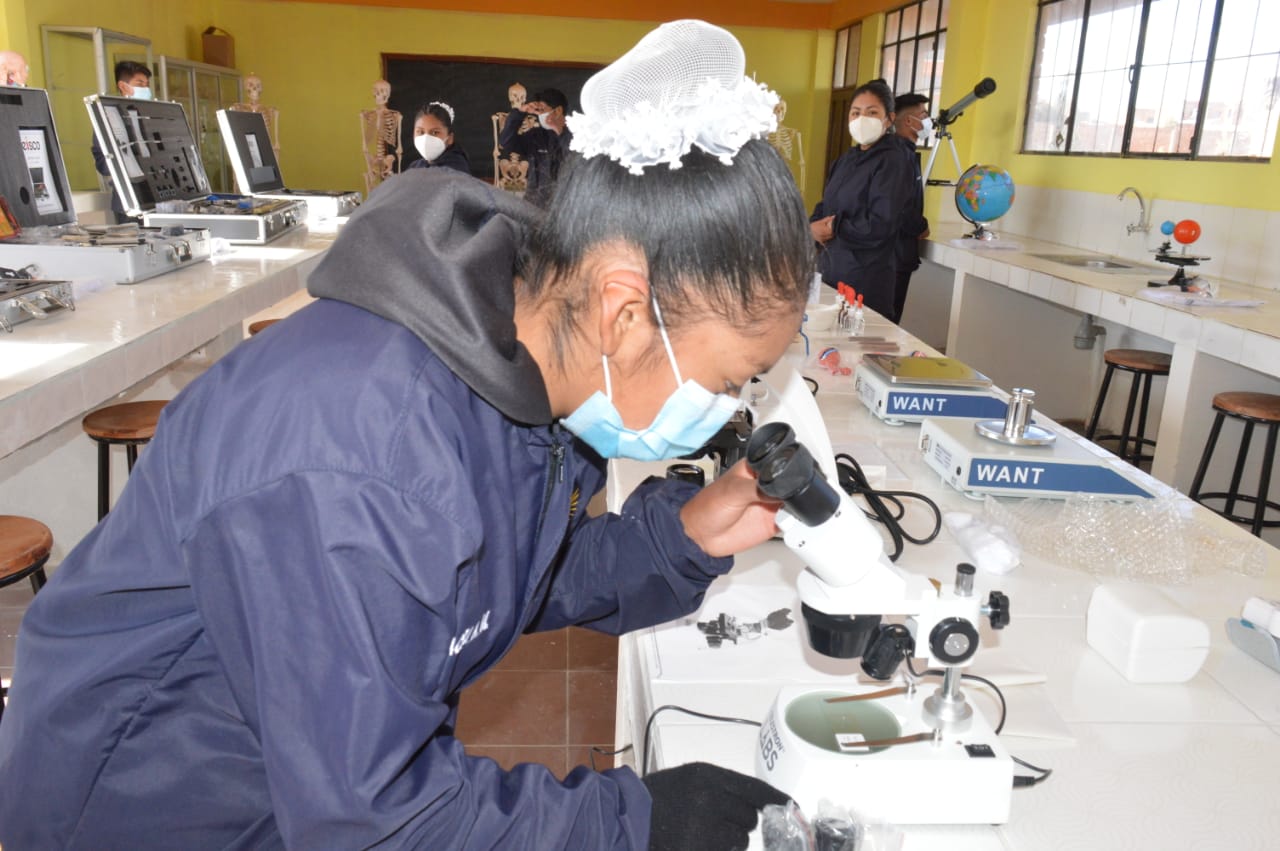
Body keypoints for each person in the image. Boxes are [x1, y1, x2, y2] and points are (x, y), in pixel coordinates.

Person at [0, 20, 808, 851]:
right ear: (625, 310)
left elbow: (507, 571)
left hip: (297, 775)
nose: (727, 406)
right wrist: (641, 824)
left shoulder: (524, 370)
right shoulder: (363, 459)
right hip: (146, 805)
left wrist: (682, 533)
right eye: (728, 378)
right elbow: (376, 821)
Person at [809, 78, 916, 322]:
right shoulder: (847, 160)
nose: (861, 119)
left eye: (871, 112)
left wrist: (834, 227)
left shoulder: (893, 161)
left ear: (888, 119)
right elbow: (826, 204)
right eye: (855, 113)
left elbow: (880, 223)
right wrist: (812, 227)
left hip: (867, 279)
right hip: (832, 270)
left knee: (858, 349)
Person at [92, 60, 153, 221]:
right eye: (140, 84)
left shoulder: (147, 115)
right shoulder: (108, 117)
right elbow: (102, 162)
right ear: (123, 86)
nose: (146, 89)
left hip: (155, 195)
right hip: (128, 200)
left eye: (147, 85)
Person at [890, 92, 931, 323]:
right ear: (908, 121)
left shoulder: (905, 153)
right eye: (923, 115)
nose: (928, 121)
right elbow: (900, 205)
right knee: (888, 321)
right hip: (894, 254)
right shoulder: (898, 157)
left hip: (899, 254)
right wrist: (920, 226)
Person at [498, 85, 572, 207]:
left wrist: (557, 129)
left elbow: (572, 159)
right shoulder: (537, 135)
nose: (539, 115)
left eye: (542, 110)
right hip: (534, 204)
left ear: (558, 111)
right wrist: (520, 113)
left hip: (564, 207)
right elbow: (506, 142)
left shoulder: (578, 137)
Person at [406, 100, 471, 174]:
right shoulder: (415, 166)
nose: (426, 139)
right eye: (420, 132)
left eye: (435, 132)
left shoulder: (456, 169)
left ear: (450, 138)